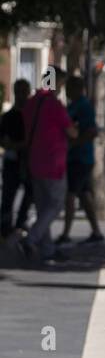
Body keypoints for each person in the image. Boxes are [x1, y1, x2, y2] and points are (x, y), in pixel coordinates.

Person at [20, 68, 78, 265]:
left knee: (43, 206)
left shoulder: (31, 102)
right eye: (61, 83)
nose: (62, 87)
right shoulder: (54, 104)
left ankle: (47, 250)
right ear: (56, 83)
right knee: (55, 205)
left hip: (34, 161)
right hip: (53, 162)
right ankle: (31, 238)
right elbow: (72, 132)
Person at [57, 76, 104, 245]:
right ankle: (96, 231)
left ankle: (66, 233)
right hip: (75, 157)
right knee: (84, 195)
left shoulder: (83, 106)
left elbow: (91, 131)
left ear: (78, 88)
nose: (67, 91)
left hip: (80, 157)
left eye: (69, 87)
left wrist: (73, 144)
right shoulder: (73, 105)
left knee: (70, 194)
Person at [1, 78, 34, 242]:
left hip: (29, 161)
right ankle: (5, 227)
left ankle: (21, 222)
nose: (22, 96)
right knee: (8, 194)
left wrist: (20, 146)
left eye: (24, 91)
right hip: (12, 162)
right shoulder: (8, 117)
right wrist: (17, 145)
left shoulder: (32, 115)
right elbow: (4, 140)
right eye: (19, 92)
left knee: (30, 192)